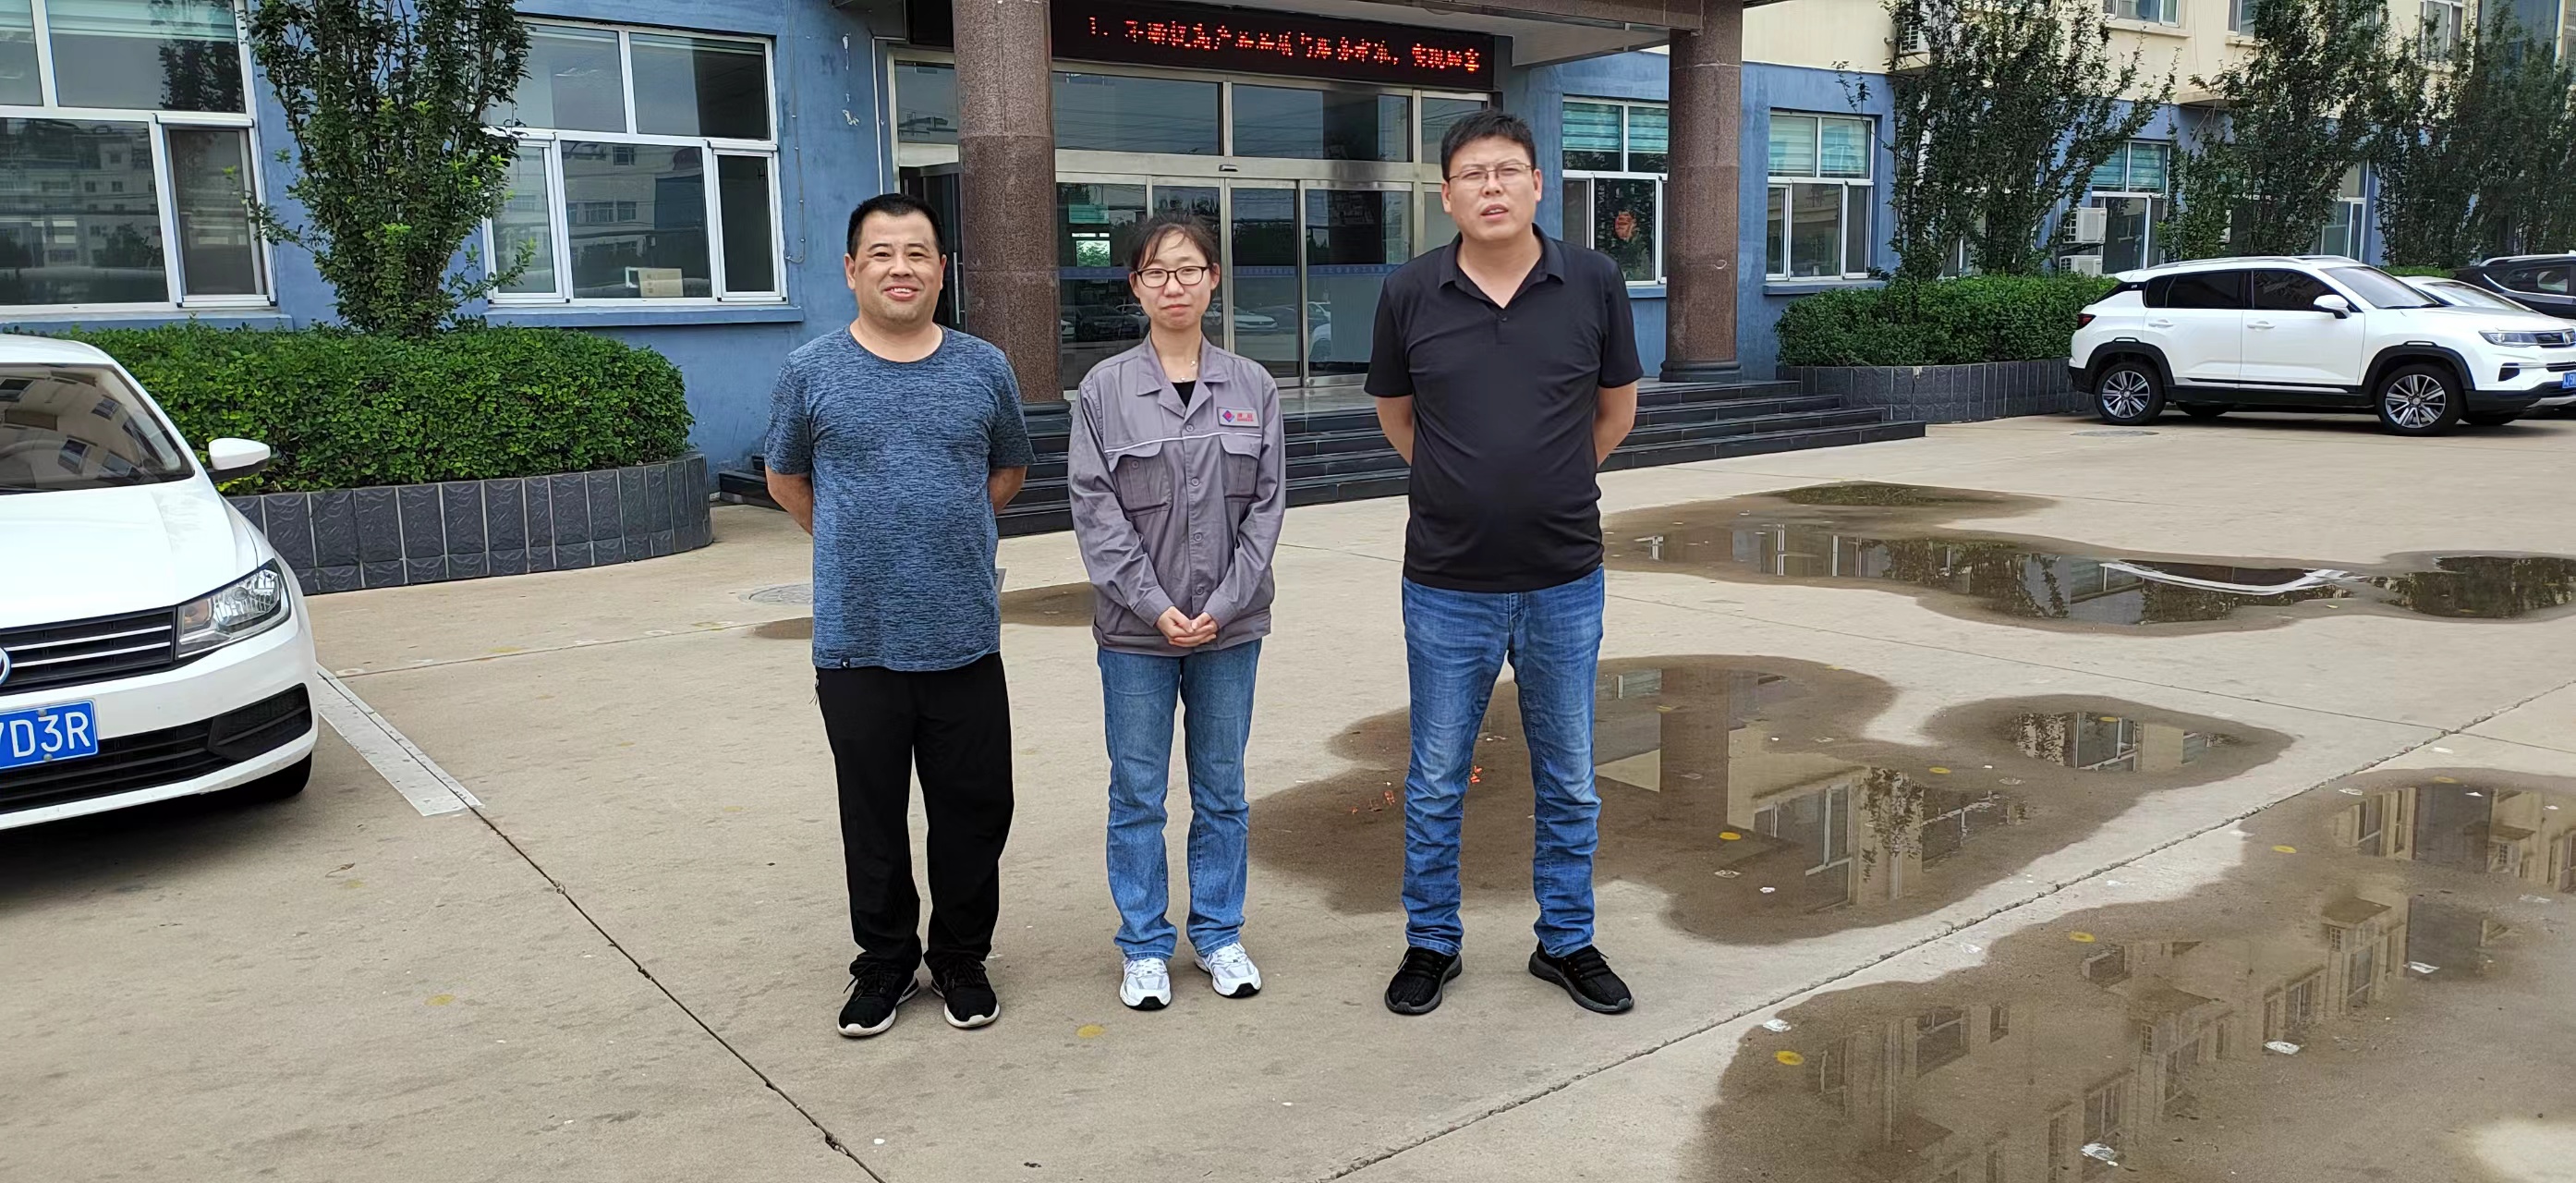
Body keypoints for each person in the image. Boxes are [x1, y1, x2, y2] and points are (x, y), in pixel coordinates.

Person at [1364, 110, 1643, 1017]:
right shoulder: (1409, 290)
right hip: (1447, 582)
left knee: (1569, 775)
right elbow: (1397, 417)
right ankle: (1430, 940)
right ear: (1446, 195)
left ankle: (1565, 939)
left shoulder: (1593, 281)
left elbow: (1616, 409)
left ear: (1536, 185)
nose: (1492, 186)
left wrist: (1550, 479)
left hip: (1564, 576)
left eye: (1508, 169)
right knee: (1436, 776)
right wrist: (1461, 483)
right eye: (1473, 174)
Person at [764, 193, 1033, 1038]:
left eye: (917, 253)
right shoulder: (811, 370)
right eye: (881, 253)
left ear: (942, 270)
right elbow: (785, 479)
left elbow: (1007, 470)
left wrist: (944, 533)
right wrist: (853, 540)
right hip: (858, 641)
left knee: (974, 812)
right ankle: (883, 961)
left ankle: (960, 957)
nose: (900, 268)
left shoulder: (984, 366)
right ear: (852, 269)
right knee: (873, 816)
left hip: (963, 637)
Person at [1066, 213, 1287, 1011]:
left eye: (1189, 269)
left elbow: (1266, 510)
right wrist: (1157, 607)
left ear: (1213, 280)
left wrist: (1223, 605)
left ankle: (1220, 934)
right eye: (1157, 272)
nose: (1174, 285)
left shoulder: (1253, 387)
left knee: (1223, 789)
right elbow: (1095, 512)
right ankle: (1144, 946)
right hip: (1136, 634)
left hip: (1231, 631)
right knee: (1137, 794)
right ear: (1135, 286)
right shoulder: (1104, 391)